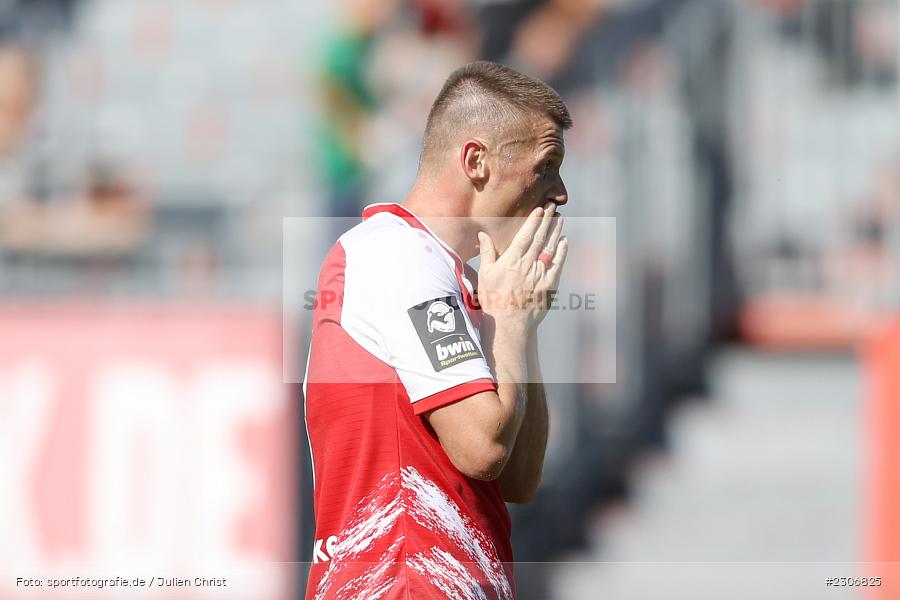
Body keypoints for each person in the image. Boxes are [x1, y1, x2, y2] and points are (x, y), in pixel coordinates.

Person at [303, 60, 571, 600]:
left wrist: (520, 323)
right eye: (547, 166)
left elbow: (518, 479)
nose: (559, 192)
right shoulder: (398, 256)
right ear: (477, 161)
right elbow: (482, 447)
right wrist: (511, 319)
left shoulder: (453, 278)